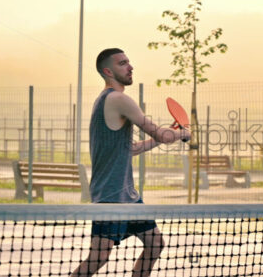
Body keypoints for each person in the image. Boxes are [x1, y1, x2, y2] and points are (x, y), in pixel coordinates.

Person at [71, 48, 190, 277]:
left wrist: (167, 136)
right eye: (123, 63)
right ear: (108, 71)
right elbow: (161, 135)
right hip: (111, 198)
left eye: (129, 61)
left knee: (155, 243)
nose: (130, 66)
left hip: (129, 197)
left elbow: (130, 149)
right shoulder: (118, 99)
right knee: (98, 258)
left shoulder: (105, 101)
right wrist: (183, 134)